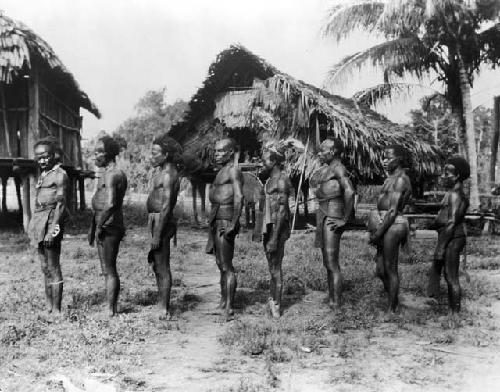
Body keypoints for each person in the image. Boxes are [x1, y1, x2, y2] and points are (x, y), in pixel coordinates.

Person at [367, 145, 412, 312]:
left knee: (390, 268)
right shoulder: (390, 178)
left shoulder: (401, 179)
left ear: (399, 159)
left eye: (388, 157)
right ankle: (392, 300)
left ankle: (392, 309)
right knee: (380, 269)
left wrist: (378, 233)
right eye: (384, 157)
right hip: (384, 222)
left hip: (393, 224)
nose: (384, 161)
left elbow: (393, 211)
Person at [313, 139, 355, 309]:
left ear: (333, 152)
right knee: (327, 262)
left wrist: (344, 219)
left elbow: (350, 191)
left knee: (331, 262)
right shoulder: (328, 168)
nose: (320, 153)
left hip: (333, 212)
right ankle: (332, 299)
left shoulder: (338, 168)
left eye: (323, 150)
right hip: (325, 212)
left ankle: (336, 303)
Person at [27, 137, 68, 314]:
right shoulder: (43, 174)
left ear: (53, 155)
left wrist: (53, 230)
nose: (42, 160)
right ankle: (49, 307)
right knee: (44, 267)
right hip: (40, 219)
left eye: (45, 156)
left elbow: (61, 205)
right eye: (39, 157)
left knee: (53, 266)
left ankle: (57, 310)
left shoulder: (60, 175)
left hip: (52, 219)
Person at [89, 135, 127, 317]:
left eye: (99, 152)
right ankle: (109, 306)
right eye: (94, 152)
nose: (95, 156)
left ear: (110, 153)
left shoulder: (113, 174)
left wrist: (99, 226)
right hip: (104, 224)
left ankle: (111, 309)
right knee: (106, 268)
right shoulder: (105, 173)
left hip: (110, 226)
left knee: (109, 268)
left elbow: (111, 204)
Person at [206, 138, 244, 321]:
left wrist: (234, 222)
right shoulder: (221, 171)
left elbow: (239, 196)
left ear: (230, 153)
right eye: (216, 151)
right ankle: (223, 302)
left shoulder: (233, 170)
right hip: (216, 218)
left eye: (221, 151)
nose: (217, 154)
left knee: (227, 265)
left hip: (225, 219)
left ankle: (229, 308)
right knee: (220, 264)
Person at [254, 141, 292, 317]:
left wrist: (275, 238)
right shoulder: (270, 180)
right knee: (271, 264)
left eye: (265, 161)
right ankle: (272, 298)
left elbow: (283, 211)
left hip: (277, 228)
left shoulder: (282, 180)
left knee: (276, 265)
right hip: (269, 227)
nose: (263, 165)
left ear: (275, 162)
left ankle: (276, 303)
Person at [427, 156, 470, 313]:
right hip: (449, 236)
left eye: (447, 174)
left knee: (451, 275)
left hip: (453, 237)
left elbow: (452, 222)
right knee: (444, 273)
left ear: (457, 175)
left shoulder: (455, 195)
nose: (443, 177)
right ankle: (447, 307)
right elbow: (445, 217)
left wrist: (441, 248)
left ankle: (455, 314)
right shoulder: (452, 193)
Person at [147, 134, 182, 317]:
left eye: (155, 153)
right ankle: (162, 303)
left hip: (162, 222)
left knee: (162, 265)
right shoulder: (163, 173)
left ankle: (164, 308)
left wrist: (157, 234)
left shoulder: (168, 175)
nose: (151, 156)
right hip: (156, 221)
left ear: (166, 154)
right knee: (157, 265)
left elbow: (167, 207)